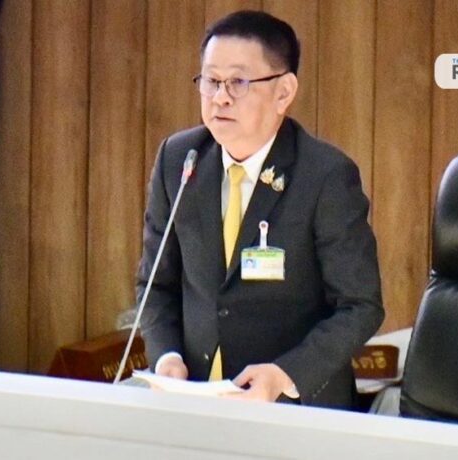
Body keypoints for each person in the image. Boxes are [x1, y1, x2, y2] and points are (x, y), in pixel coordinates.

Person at [137, 10, 384, 409]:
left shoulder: (325, 176)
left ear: (283, 92)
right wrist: (167, 357)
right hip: (196, 400)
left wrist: (285, 375)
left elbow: (360, 306)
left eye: (238, 82)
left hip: (292, 407)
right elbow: (155, 285)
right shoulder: (179, 160)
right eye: (210, 81)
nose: (220, 97)